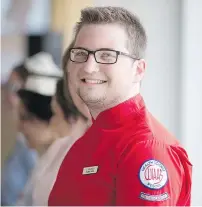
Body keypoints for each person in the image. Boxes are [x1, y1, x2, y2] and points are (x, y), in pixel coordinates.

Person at [48, 6, 192, 206]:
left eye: (107, 55)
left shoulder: (145, 149)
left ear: (138, 70)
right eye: (81, 53)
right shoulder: (90, 139)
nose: (89, 67)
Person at [25, 78, 90, 206]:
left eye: (55, 114)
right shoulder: (59, 146)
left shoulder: (87, 164)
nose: (52, 122)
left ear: (73, 118)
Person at [14, 52, 62, 206]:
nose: (20, 128)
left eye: (25, 118)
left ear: (51, 118)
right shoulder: (45, 159)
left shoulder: (63, 169)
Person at [1, 62, 38, 206]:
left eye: (14, 87)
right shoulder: (16, 135)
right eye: (7, 87)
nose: (8, 95)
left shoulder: (34, 141)